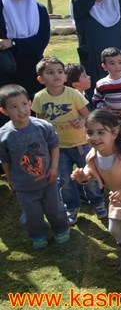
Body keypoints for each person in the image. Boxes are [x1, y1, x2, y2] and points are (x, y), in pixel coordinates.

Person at [71, 110, 121, 278]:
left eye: (101, 132)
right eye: (90, 132)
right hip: (116, 197)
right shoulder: (93, 154)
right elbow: (89, 171)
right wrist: (82, 177)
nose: (94, 137)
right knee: (114, 229)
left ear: (115, 133)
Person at [31, 57, 106, 224]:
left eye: (59, 72)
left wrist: (81, 122)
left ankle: (98, 202)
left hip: (81, 144)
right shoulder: (39, 97)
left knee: (89, 175)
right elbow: (39, 122)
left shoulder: (73, 94)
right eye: (50, 73)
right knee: (64, 180)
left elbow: (88, 115)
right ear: (41, 79)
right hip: (57, 148)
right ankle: (71, 206)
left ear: (65, 77)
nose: (56, 75)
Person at [0, 84, 69, 249]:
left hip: (48, 180)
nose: (21, 110)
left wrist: (53, 168)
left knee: (54, 208)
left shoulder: (42, 126)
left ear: (30, 103)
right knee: (32, 214)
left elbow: (54, 146)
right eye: (14, 107)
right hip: (24, 186)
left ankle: (60, 228)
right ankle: (38, 234)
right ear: (4, 111)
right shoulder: (4, 134)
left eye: (24, 104)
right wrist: (11, 180)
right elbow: (5, 160)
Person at [0, 0, 51, 101]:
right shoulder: (1, 7)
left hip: (32, 69)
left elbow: (41, 41)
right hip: (5, 70)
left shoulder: (39, 9)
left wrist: (12, 43)